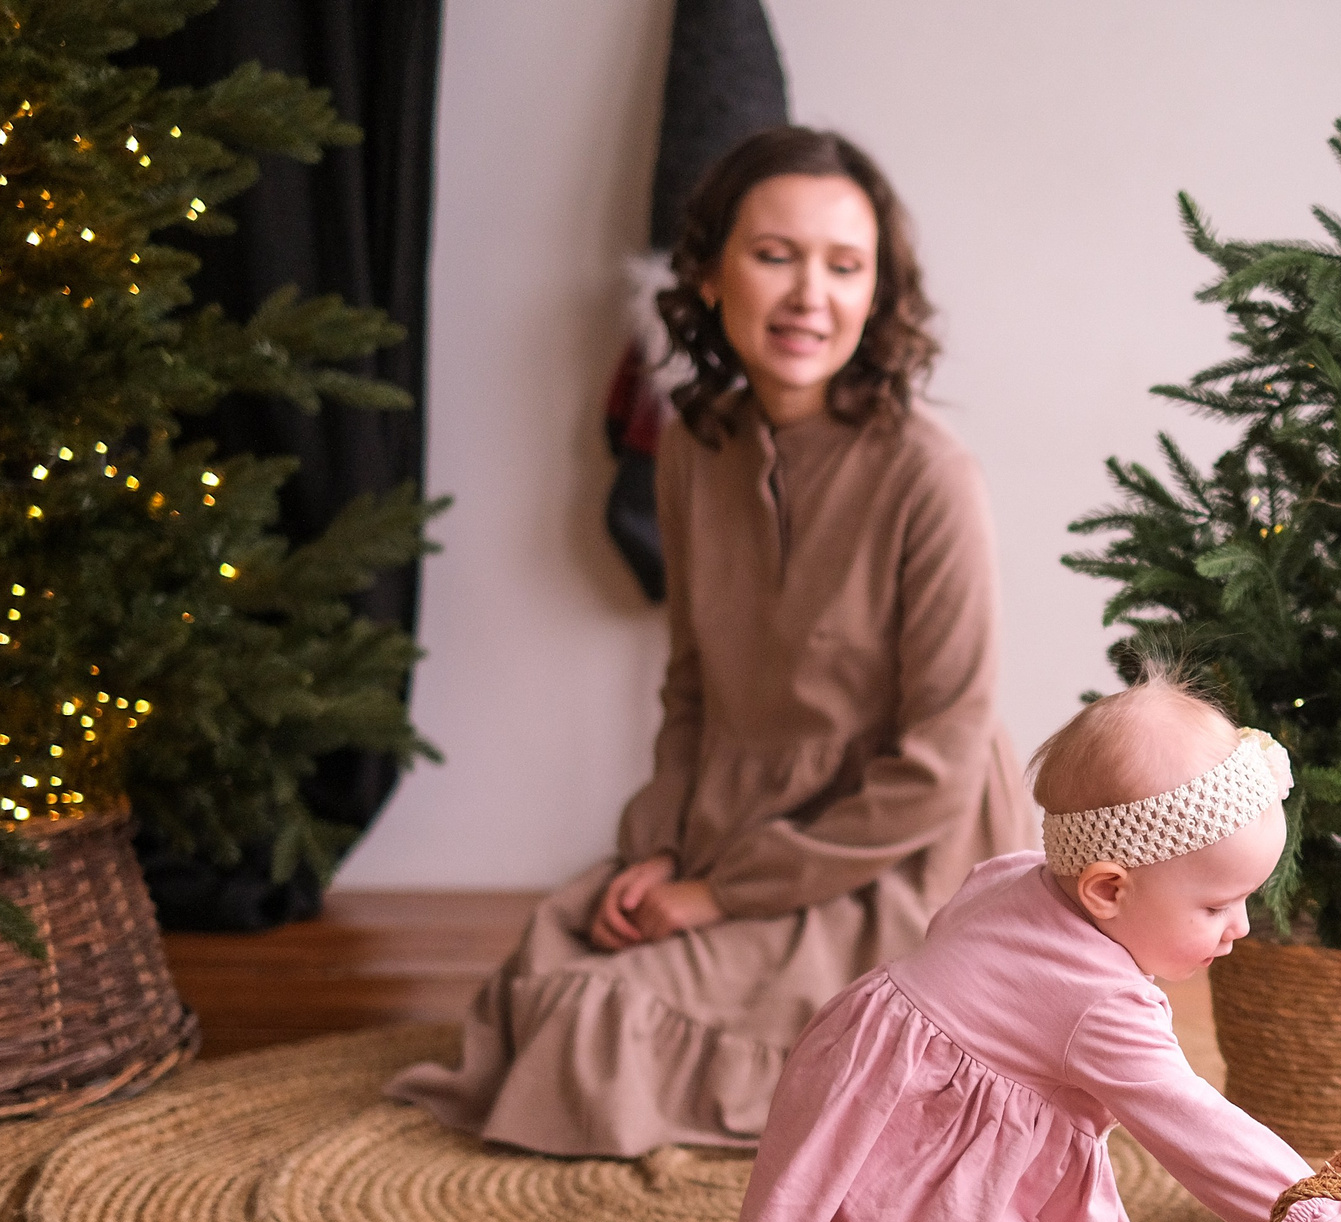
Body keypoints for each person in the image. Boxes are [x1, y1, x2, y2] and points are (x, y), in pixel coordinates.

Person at [390, 129, 1030, 1156]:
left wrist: (714, 896)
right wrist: (657, 850)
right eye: (775, 255)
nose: (807, 296)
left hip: (894, 853)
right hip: (734, 816)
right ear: (707, 272)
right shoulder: (692, 446)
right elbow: (689, 690)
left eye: (844, 265)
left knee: (598, 1019)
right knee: (556, 963)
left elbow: (940, 766)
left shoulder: (928, 473)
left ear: (878, 295)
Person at [707, 672, 1341, 1222]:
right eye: (1220, 904)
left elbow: (958, 937)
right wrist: (1316, 1220)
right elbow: (1198, 1127)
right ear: (1108, 889)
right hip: (932, 1126)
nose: (1242, 926)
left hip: (876, 1071)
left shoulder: (1020, 870)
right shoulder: (1102, 1004)